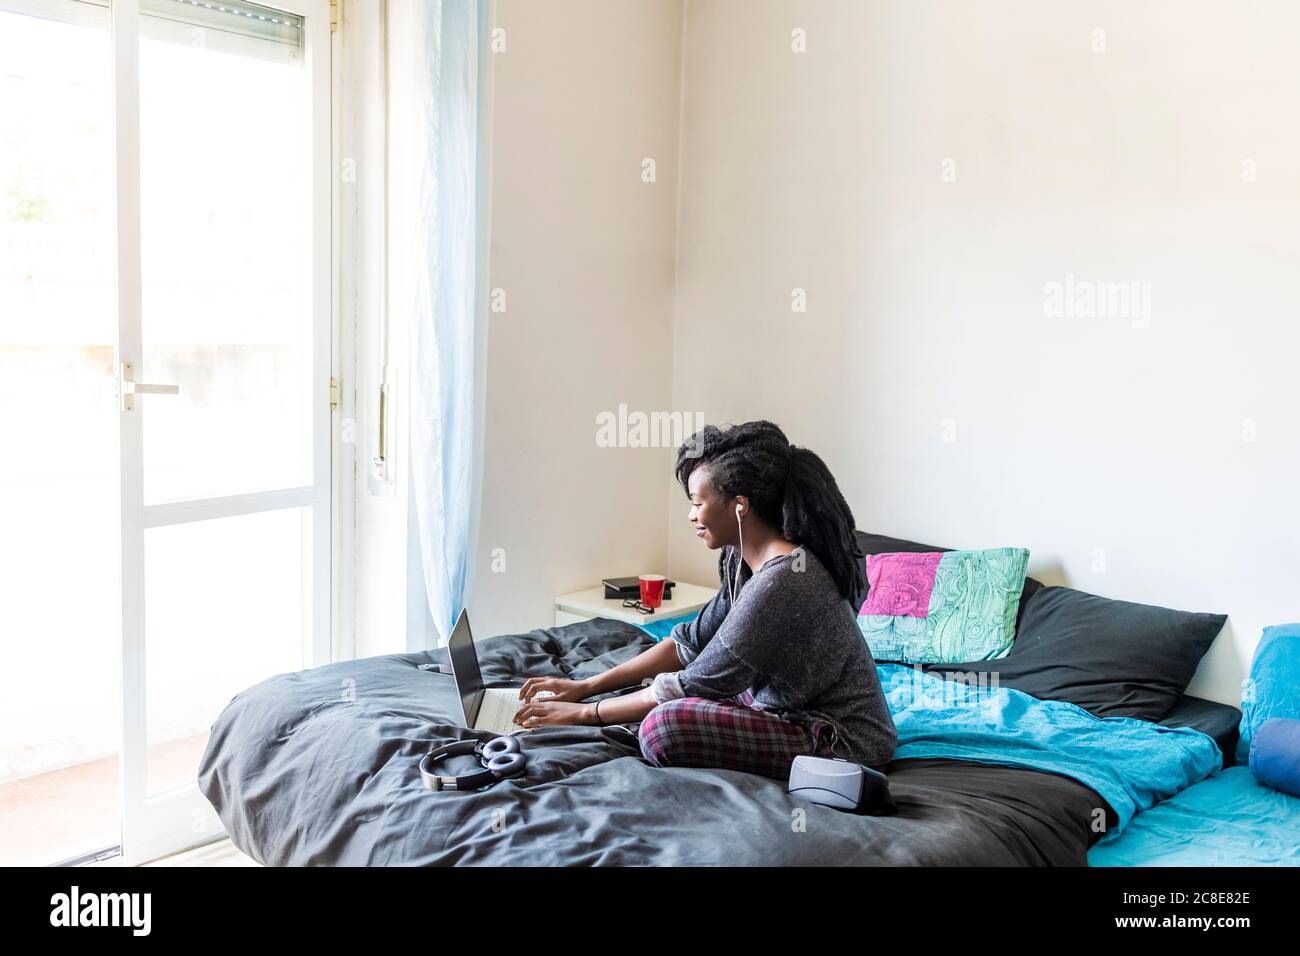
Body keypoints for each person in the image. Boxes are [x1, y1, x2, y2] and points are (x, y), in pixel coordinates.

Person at [514, 420, 898, 778]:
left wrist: (584, 715)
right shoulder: (740, 559)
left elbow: (688, 685)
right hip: (779, 708)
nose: (691, 516)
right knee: (651, 698)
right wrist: (584, 688)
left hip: (837, 739)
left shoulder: (783, 582)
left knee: (662, 728)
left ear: (739, 505)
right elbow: (689, 644)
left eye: (697, 503)